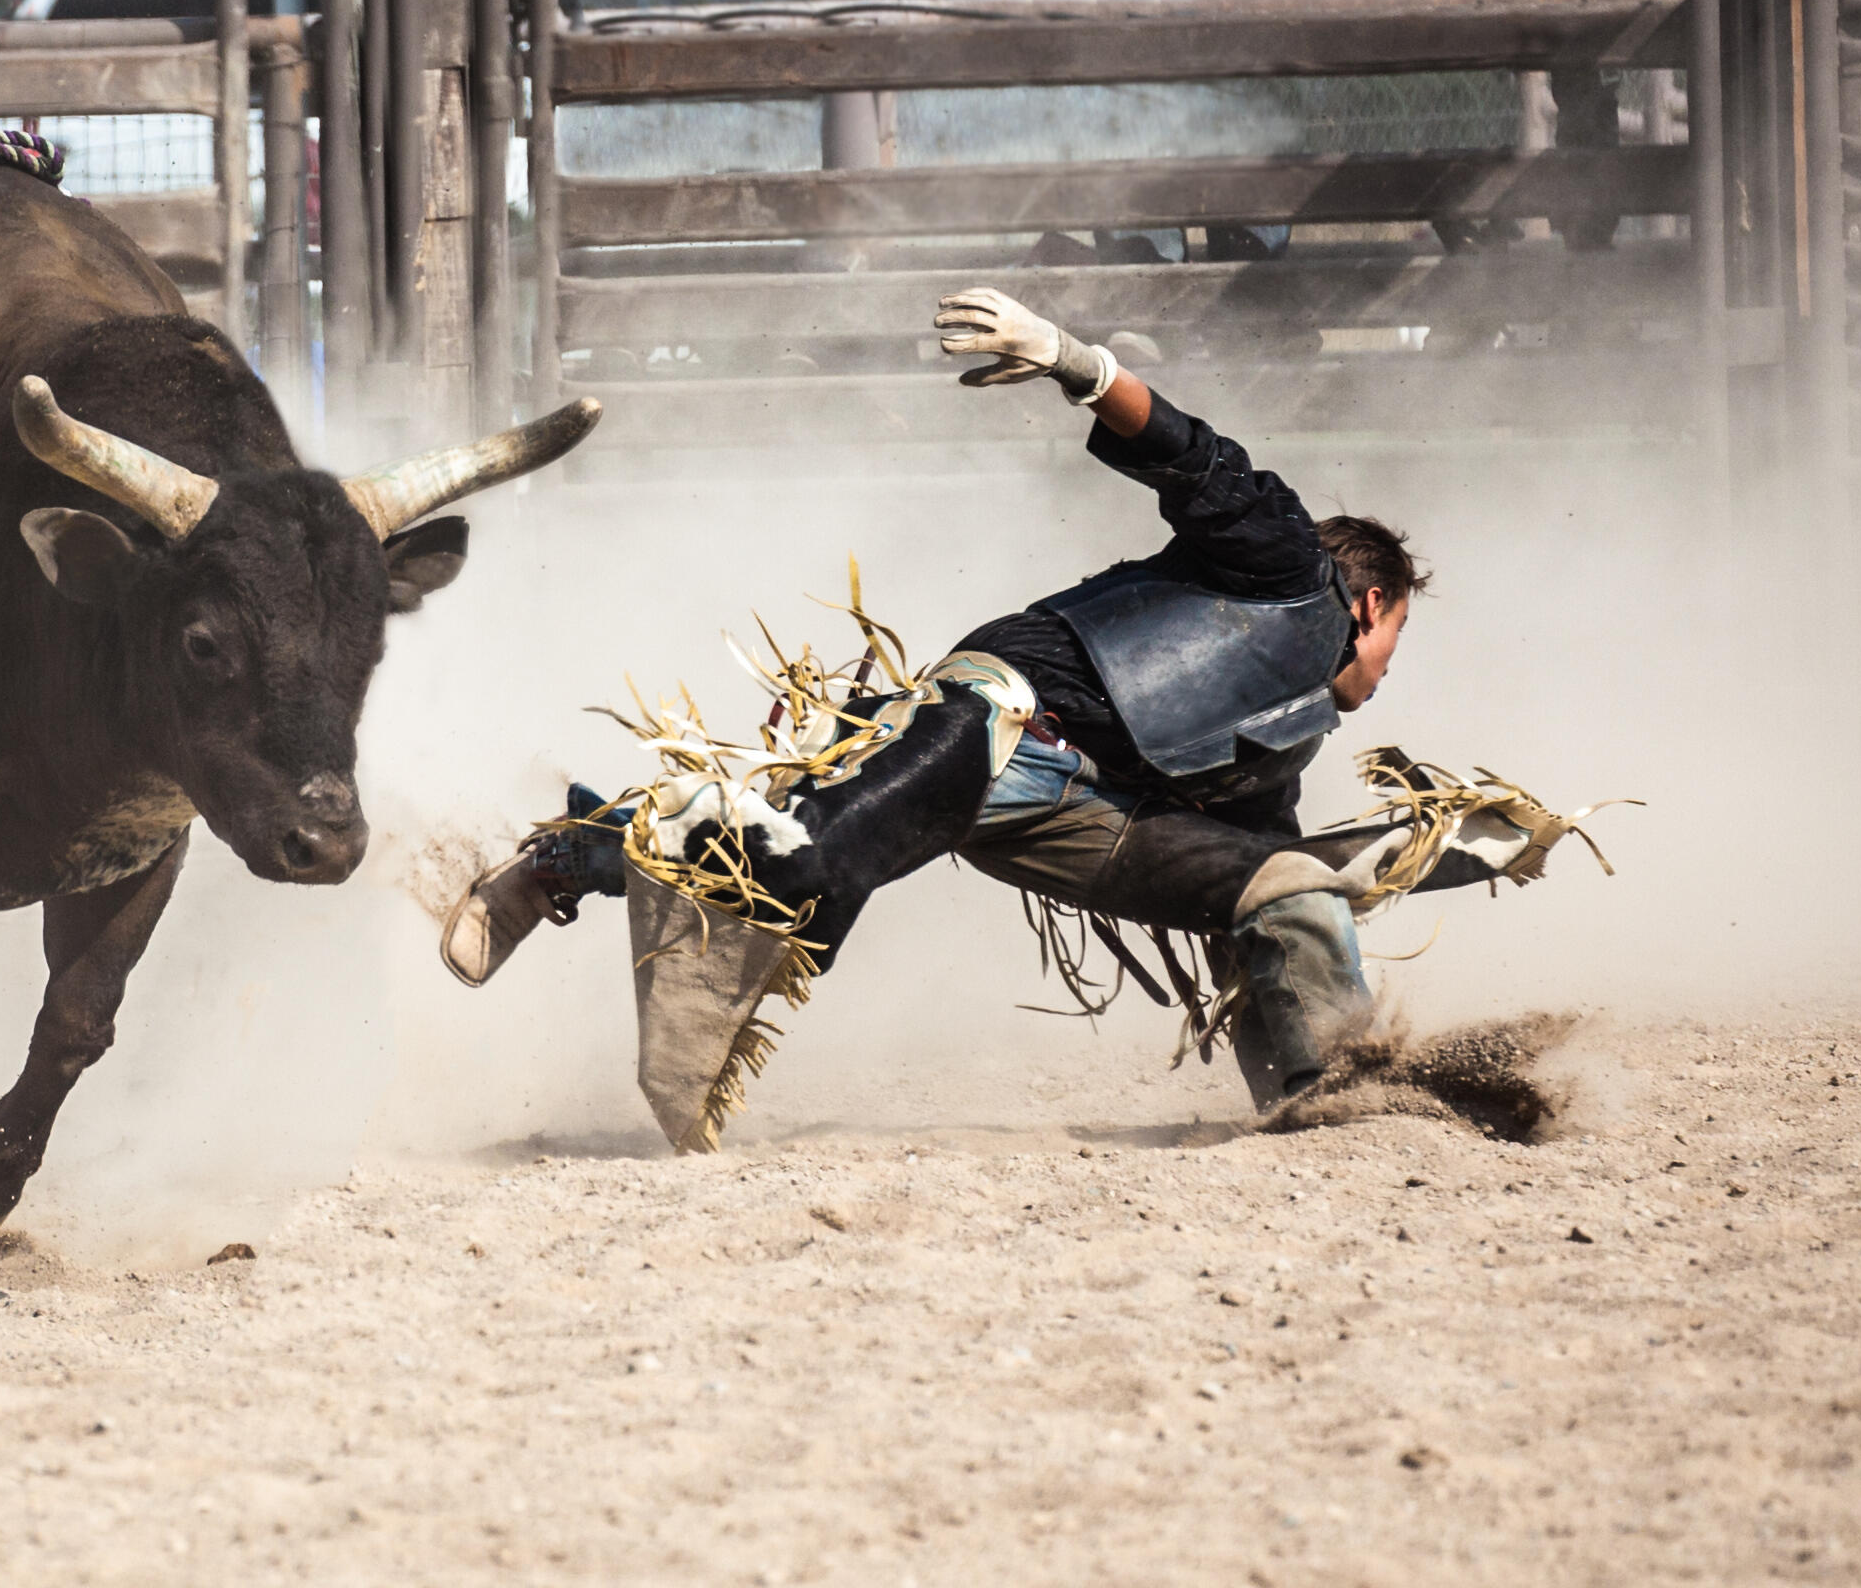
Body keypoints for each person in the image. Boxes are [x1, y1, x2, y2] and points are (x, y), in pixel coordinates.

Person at [443, 289, 1541, 1149]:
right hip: (993, 719)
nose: (1393, 670)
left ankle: (1323, 1103)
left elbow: (1268, 874)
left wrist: (1443, 854)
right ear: (1375, 598)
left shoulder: (1281, 738)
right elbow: (1191, 456)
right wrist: (1077, 362)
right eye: (1400, 637)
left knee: (1284, 887)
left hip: (1087, 820)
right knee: (801, 851)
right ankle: (562, 859)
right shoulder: (1287, 560)